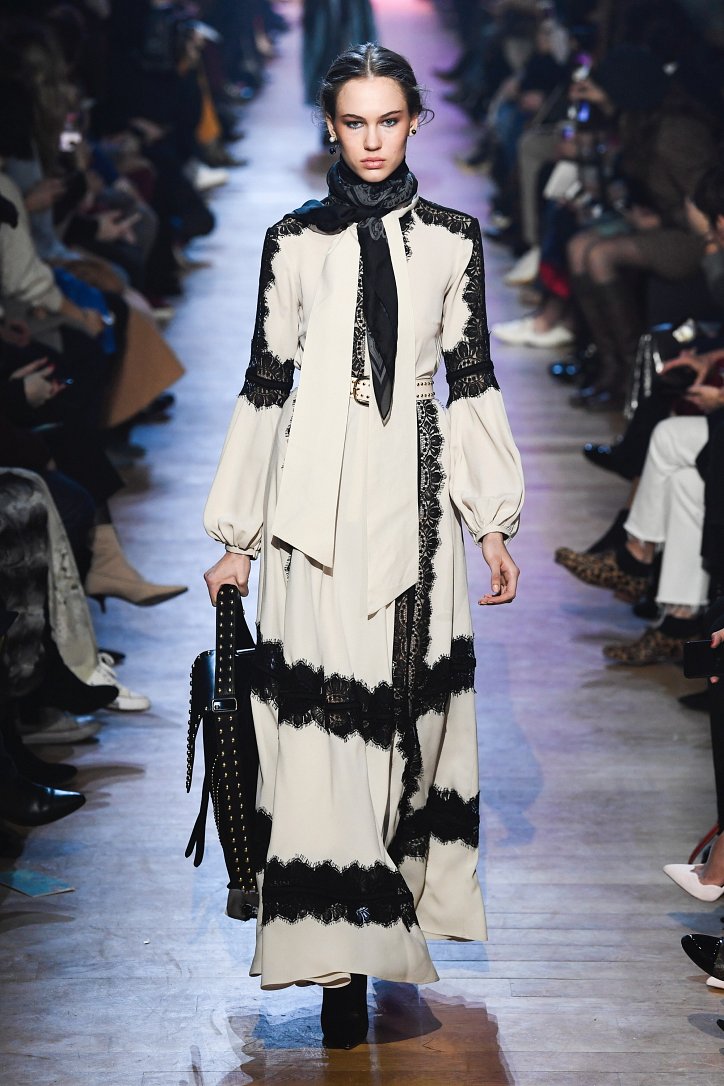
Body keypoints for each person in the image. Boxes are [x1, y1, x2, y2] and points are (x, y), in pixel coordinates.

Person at [203, 44, 524, 1049]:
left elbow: (470, 379)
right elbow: (267, 382)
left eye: (389, 120)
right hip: (315, 507)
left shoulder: (454, 241)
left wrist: (490, 519)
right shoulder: (292, 241)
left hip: (415, 501)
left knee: (405, 723)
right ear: (331, 128)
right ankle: (334, 962)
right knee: (320, 729)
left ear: (416, 121)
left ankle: (386, 924)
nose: (372, 140)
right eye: (354, 122)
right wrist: (238, 538)